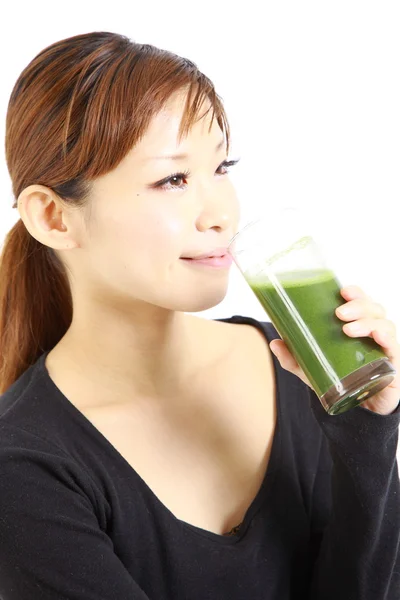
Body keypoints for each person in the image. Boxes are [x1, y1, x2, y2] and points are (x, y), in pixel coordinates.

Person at [0, 31, 399, 600]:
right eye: (173, 179)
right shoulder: (22, 466)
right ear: (54, 217)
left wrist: (369, 434)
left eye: (222, 166)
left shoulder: (300, 372)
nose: (220, 213)